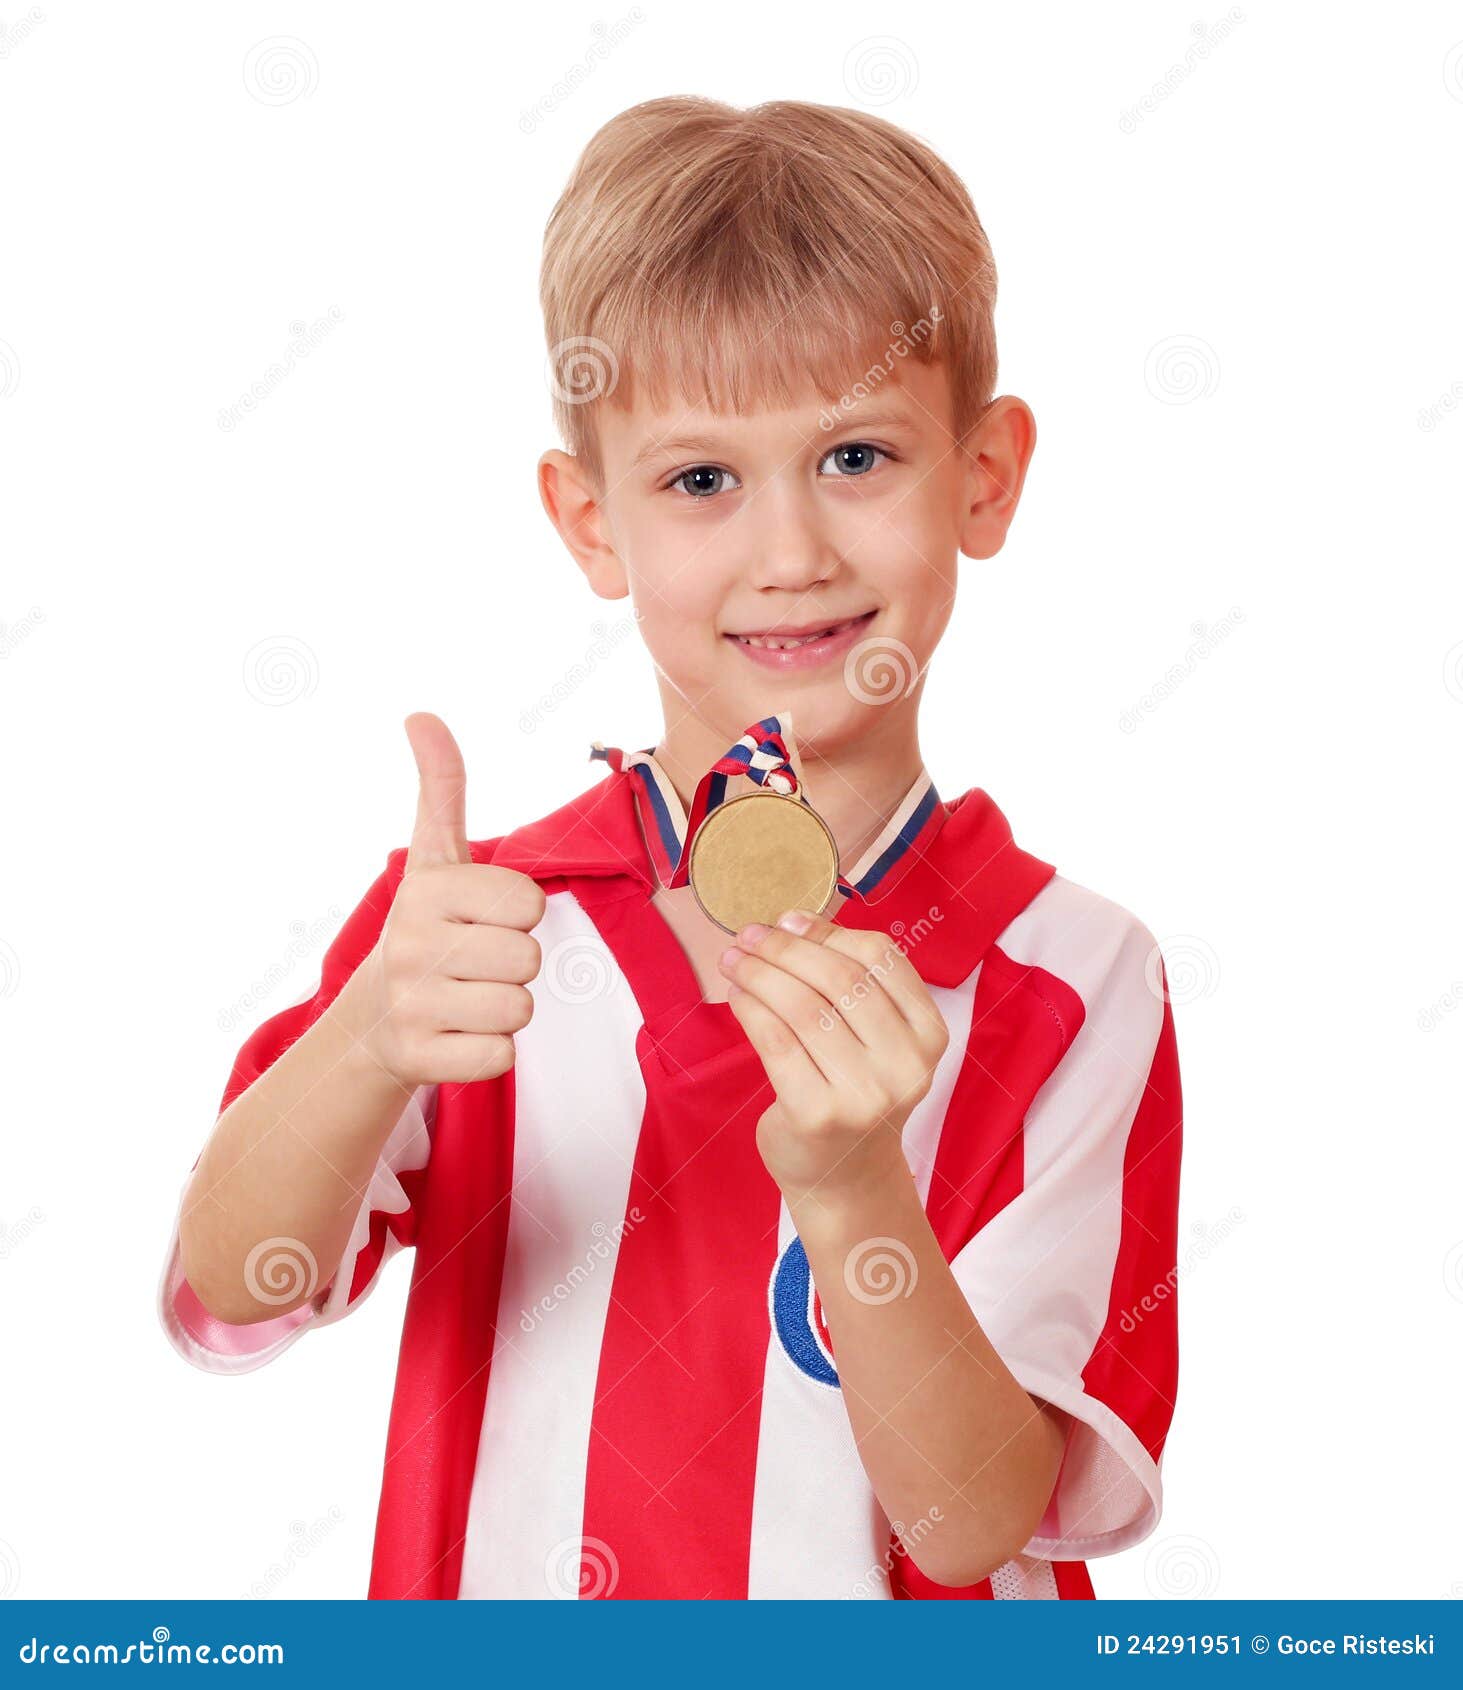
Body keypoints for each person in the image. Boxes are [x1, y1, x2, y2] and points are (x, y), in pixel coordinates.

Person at [159, 95, 1183, 1601]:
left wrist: (855, 1194)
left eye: (857, 456)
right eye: (702, 480)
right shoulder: (470, 927)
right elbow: (231, 1295)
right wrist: (367, 1039)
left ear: (986, 475)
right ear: (591, 521)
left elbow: (974, 1527)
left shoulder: (1072, 975)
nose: (792, 553)